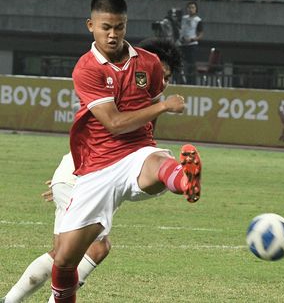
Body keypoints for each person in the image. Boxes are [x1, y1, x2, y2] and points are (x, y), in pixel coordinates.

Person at [1, 36, 185, 303]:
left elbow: (134, 148)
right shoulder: (119, 87)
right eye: (161, 74)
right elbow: (111, 130)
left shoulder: (146, 101)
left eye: (168, 78)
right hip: (85, 174)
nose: (163, 82)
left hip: (86, 175)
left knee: (61, 254)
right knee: (95, 248)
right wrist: (72, 177)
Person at [48, 0, 201, 303]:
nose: (113, 35)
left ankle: (185, 179)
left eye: (119, 27)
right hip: (98, 167)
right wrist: (165, 107)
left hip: (137, 153)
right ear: (91, 26)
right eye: (106, 27)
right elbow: (115, 123)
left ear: (126, 25)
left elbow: (149, 110)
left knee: (158, 160)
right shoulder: (87, 68)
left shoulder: (149, 63)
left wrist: (150, 144)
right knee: (64, 261)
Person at [178, 1, 203, 85]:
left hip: (192, 45)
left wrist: (192, 39)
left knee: (191, 65)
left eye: (193, 7)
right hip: (182, 44)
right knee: (180, 64)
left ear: (196, 9)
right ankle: (180, 81)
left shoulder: (198, 20)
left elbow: (200, 35)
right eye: (189, 7)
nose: (191, 9)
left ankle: (191, 83)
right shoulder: (184, 18)